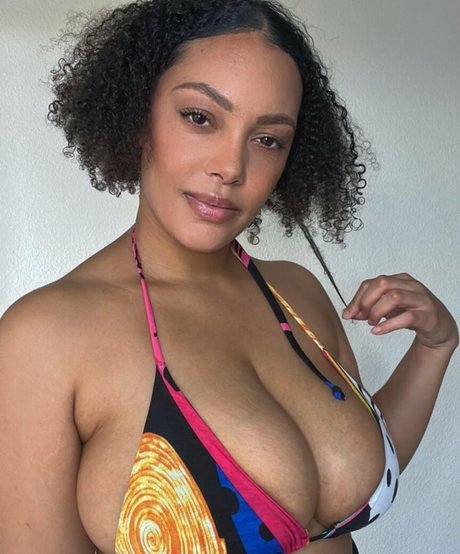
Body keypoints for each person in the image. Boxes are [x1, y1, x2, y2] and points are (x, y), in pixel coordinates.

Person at [0, 1, 457, 553]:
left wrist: (435, 348)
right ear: (139, 115)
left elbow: (342, 486)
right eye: (200, 117)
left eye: (267, 139)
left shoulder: (296, 292)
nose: (231, 167)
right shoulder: (46, 337)